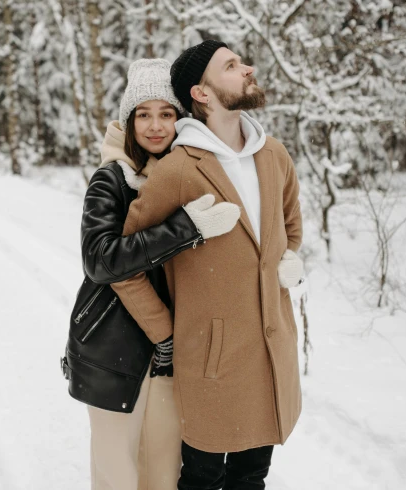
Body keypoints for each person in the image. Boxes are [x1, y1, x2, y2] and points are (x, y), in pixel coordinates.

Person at [110, 40, 305, 490]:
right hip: (212, 361)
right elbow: (126, 263)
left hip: (271, 350)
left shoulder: (273, 155)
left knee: (252, 477)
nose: (247, 69)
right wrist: (167, 332)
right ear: (201, 92)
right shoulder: (178, 170)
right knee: (202, 478)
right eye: (232, 65)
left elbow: (290, 224)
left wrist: (290, 257)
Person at [63, 58, 241, 490]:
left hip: (171, 354)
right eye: (143, 114)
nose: (155, 126)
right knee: (117, 474)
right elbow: (100, 259)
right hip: (111, 350)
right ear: (129, 121)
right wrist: (185, 229)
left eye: (166, 114)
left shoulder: (187, 176)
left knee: (162, 470)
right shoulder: (112, 179)